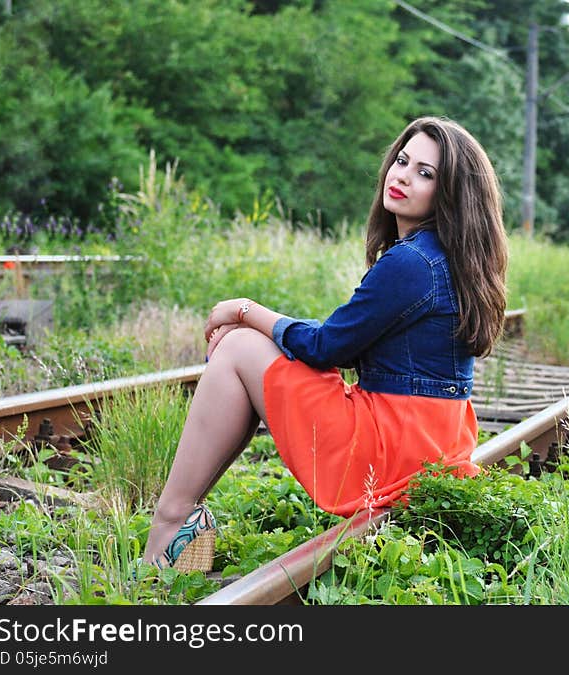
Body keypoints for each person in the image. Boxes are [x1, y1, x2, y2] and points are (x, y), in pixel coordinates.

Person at [140, 116, 509, 572]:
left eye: (425, 173)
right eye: (402, 161)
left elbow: (325, 347)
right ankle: (181, 523)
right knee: (252, 345)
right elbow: (345, 342)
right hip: (432, 444)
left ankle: (171, 521)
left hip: (389, 454)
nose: (402, 176)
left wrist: (243, 310)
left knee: (237, 347)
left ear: (450, 193)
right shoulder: (449, 258)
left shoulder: (412, 263)